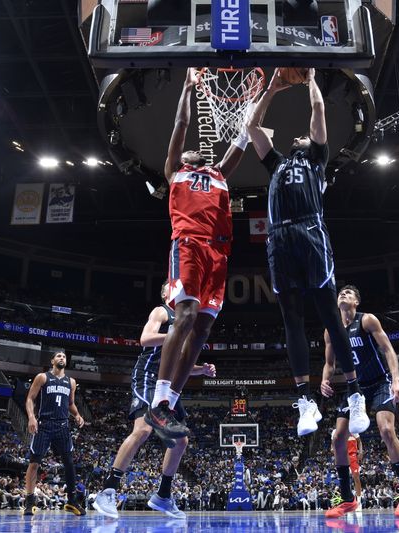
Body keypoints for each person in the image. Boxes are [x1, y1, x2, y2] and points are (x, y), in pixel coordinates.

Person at [247, 68, 369, 437]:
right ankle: (305, 401)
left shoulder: (316, 158)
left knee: (330, 317)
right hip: (279, 237)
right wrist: (271, 88)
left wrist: (311, 80)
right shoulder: (277, 164)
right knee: (291, 319)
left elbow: (318, 113)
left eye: (303, 136)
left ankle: (354, 395)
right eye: (296, 136)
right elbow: (253, 128)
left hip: (310, 230)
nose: (299, 136)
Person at [146, 68, 249, 441]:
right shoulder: (176, 171)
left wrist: (259, 98)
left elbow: (243, 137)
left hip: (218, 253)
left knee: (203, 326)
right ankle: (157, 401)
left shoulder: (220, 173)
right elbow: (182, 123)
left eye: (197, 150)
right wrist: (187, 87)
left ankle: (170, 403)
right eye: (190, 149)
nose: (195, 149)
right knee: (185, 315)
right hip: (188, 243)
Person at [94, 284, 217, 519]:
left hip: (168, 385)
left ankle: (162, 496)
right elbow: (145, 339)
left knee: (180, 441)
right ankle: (108, 490)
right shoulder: (162, 312)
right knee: (143, 429)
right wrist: (175, 334)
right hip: (149, 378)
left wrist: (201, 370)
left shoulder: (188, 322)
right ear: (166, 294)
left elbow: (181, 363)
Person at [321, 285, 399, 518]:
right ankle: (347, 498)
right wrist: (325, 380)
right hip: (354, 388)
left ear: (356, 302)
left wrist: (396, 380)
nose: (343, 294)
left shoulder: (367, 321)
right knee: (337, 437)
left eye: (349, 293)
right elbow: (330, 364)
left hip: (378, 382)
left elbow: (388, 349)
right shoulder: (330, 330)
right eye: (341, 293)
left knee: (385, 429)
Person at [23, 351, 86, 516]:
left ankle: (72, 501)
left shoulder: (71, 382)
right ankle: (29, 501)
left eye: (64, 356)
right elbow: (30, 399)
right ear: (52, 361)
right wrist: (31, 417)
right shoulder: (42, 377)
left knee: (69, 464)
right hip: (44, 424)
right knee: (34, 463)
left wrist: (77, 415)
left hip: (62, 426)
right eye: (58, 356)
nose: (62, 358)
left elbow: (70, 403)